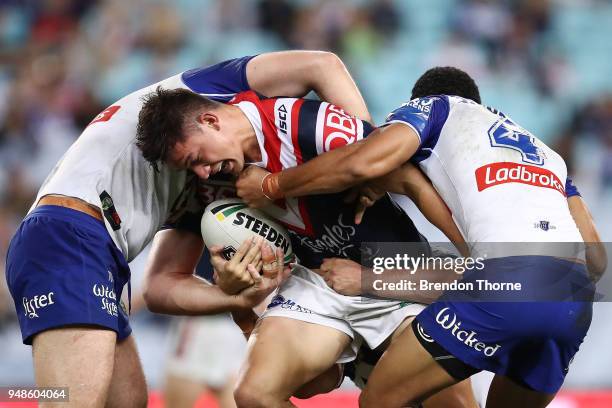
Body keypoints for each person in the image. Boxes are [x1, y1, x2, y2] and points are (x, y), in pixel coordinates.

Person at [4, 50, 373, 408]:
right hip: (69, 234)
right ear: (209, 121)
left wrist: (235, 298)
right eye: (194, 161)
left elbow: (160, 287)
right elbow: (320, 64)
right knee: (73, 399)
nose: (201, 169)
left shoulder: (202, 177)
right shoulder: (202, 94)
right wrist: (369, 154)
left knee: (126, 401)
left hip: (93, 249)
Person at [234, 66, 607, 407]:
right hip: (573, 302)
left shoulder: (436, 109)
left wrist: (272, 184)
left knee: (378, 400)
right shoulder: (547, 155)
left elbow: (366, 158)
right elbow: (598, 261)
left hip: (507, 284)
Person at [135, 87, 478, 408]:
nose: (203, 171)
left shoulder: (302, 122)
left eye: (198, 157)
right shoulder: (207, 187)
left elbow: (403, 176)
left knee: (450, 403)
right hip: (318, 281)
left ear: (211, 121)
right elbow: (158, 287)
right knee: (255, 394)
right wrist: (236, 299)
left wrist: (476, 254)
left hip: (394, 268)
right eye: (191, 167)